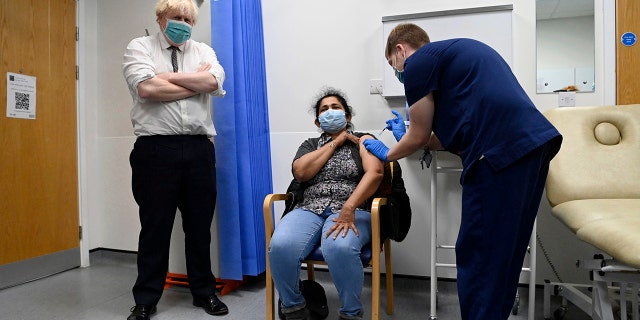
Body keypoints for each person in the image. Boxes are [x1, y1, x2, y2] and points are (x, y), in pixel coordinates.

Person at [363, 23, 563, 320]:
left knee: (477, 255)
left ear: (401, 51)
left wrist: (388, 153)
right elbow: (441, 139)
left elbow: (418, 136)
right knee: (504, 254)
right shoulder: (456, 64)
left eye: (394, 66)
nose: (398, 73)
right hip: (534, 146)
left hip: (499, 153)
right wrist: (403, 135)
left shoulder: (419, 62)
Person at [121, 0, 228, 319]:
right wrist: (192, 83)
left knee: (199, 226)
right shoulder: (139, 47)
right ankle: (146, 299)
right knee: (154, 226)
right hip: (154, 150)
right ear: (160, 18)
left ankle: (204, 292)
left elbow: (213, 83)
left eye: (187, 18)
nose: (182, 22)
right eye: (175, 17)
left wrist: (168, 79)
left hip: (198, 149)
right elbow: (146, 89)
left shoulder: (204, 51)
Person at [269, 87, 384, 320]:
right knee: (280, 246)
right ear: (317, 121)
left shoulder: (363, 140)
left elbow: (376, 172)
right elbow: (301, 172)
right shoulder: (310, 145)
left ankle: (351, 313)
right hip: (309, 208)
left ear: (348, 116)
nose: (330, 112)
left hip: (353, 207)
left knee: (339, 247)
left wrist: (349, 208)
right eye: (324, 109)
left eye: (336, 107)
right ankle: (293, 307)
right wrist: (335, 142)